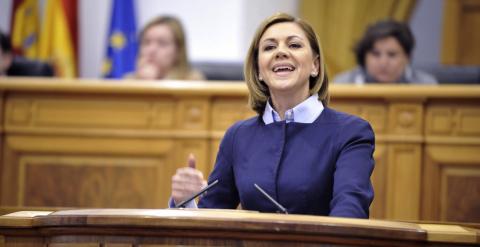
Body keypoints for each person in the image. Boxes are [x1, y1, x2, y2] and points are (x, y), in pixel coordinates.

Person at [170, 13, 375, 218]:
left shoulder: (351, 132)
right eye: (269, 47)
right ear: (259, 70)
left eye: (294, 45)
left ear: (315, 65)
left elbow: (350, 212)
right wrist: (186, 201)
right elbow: (211, 217)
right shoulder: (238, 136)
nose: (281, 52)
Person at [333, 20, 437, 84]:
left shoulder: (426, 86)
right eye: (376, 54)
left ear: (407, 57)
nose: (383, 63)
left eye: (392, 55)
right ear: (364, 57)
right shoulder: (343, 84)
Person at [134, 16, 204, 80]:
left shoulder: (192, 82)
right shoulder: (129, 82)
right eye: (146, 42)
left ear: (178, 50)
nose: (151, 50)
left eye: (162, 43)